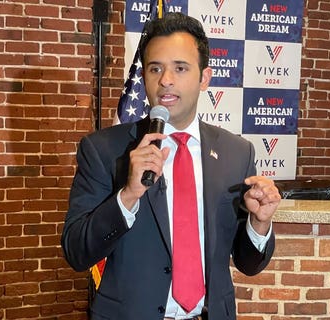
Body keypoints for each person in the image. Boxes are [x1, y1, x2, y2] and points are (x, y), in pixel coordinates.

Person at [61, 12, 281, 320]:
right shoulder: (103, 150)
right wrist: (127, 195)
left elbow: (248, 263)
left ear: (205, 77)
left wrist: (259, 224)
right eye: (155, 68)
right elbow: (76, 251)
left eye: (180, 68)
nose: (166, 80)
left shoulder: (236, 152)